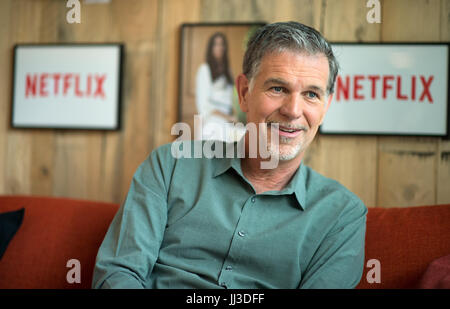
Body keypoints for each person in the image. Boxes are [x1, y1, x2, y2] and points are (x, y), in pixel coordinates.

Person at [92, 21, 367, 289]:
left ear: (326, 106)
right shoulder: (170, 165)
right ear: (244, 93)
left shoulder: (343, 215)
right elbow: (119, 272)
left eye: (311, 94)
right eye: (278, 88)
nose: (293, 110)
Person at [195, 32, 245, 142]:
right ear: (211, 48)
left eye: (222, 44)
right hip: (213, 119)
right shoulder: (204, 69)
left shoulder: (228, 71)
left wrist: (234, 117)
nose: (219, 48)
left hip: (229, 119)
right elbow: (203, 105)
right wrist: (228, 118)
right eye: (216, 44)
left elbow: (232, 100)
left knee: (246, 136)